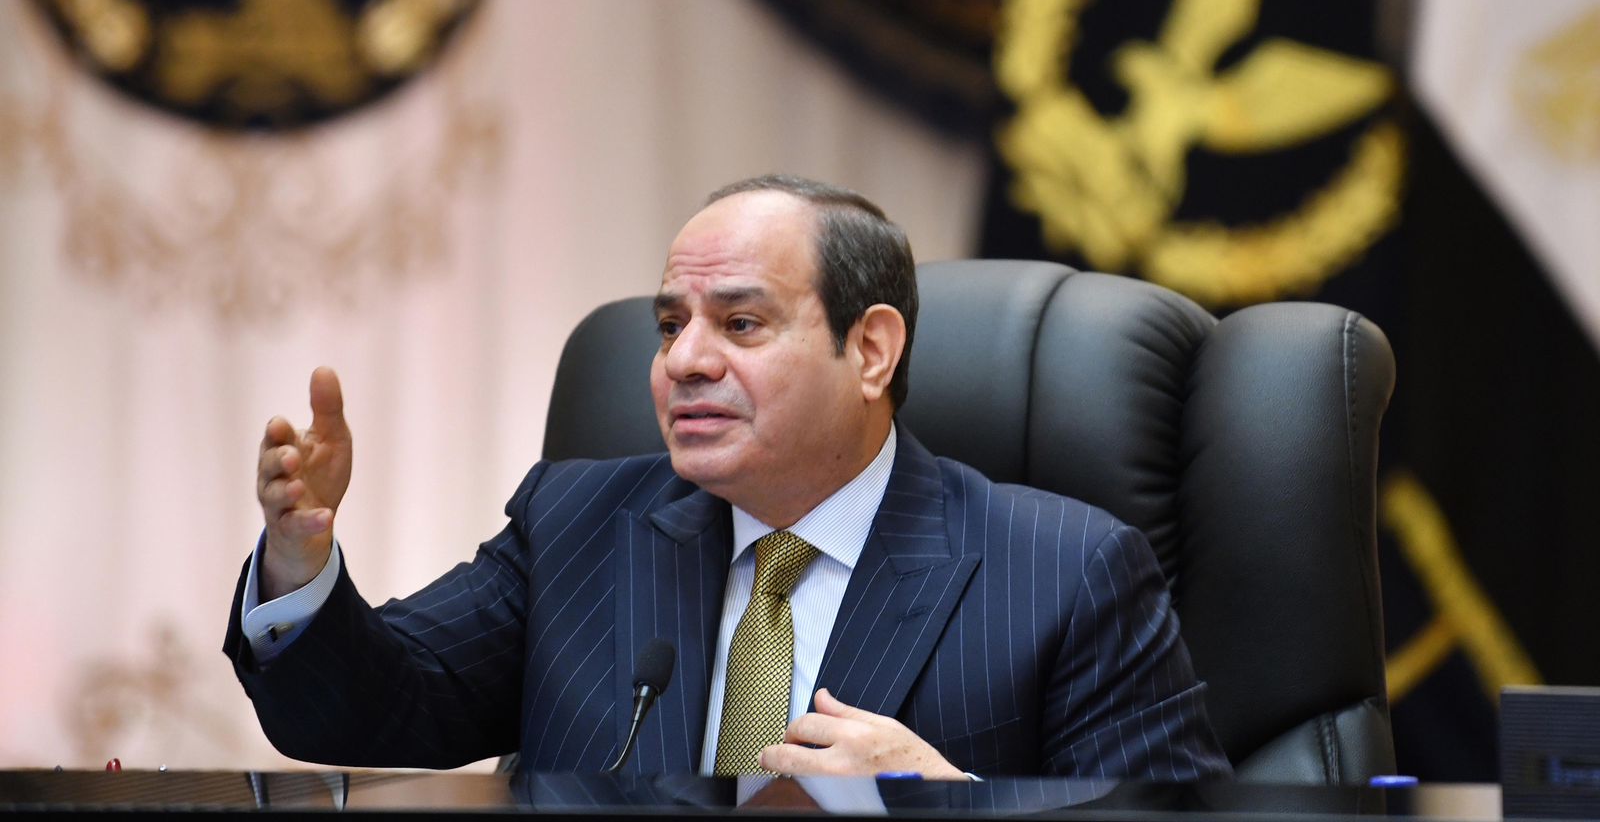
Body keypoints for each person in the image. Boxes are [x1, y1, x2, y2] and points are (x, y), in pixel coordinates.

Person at [226, 175, 1230, 779]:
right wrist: (299, 561)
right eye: (671, 326)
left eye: (740, 323)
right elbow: (370, 709)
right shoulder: (577, 525)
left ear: (870, 350)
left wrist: (954, 803)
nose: (684, 361)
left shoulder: (1066, 570)